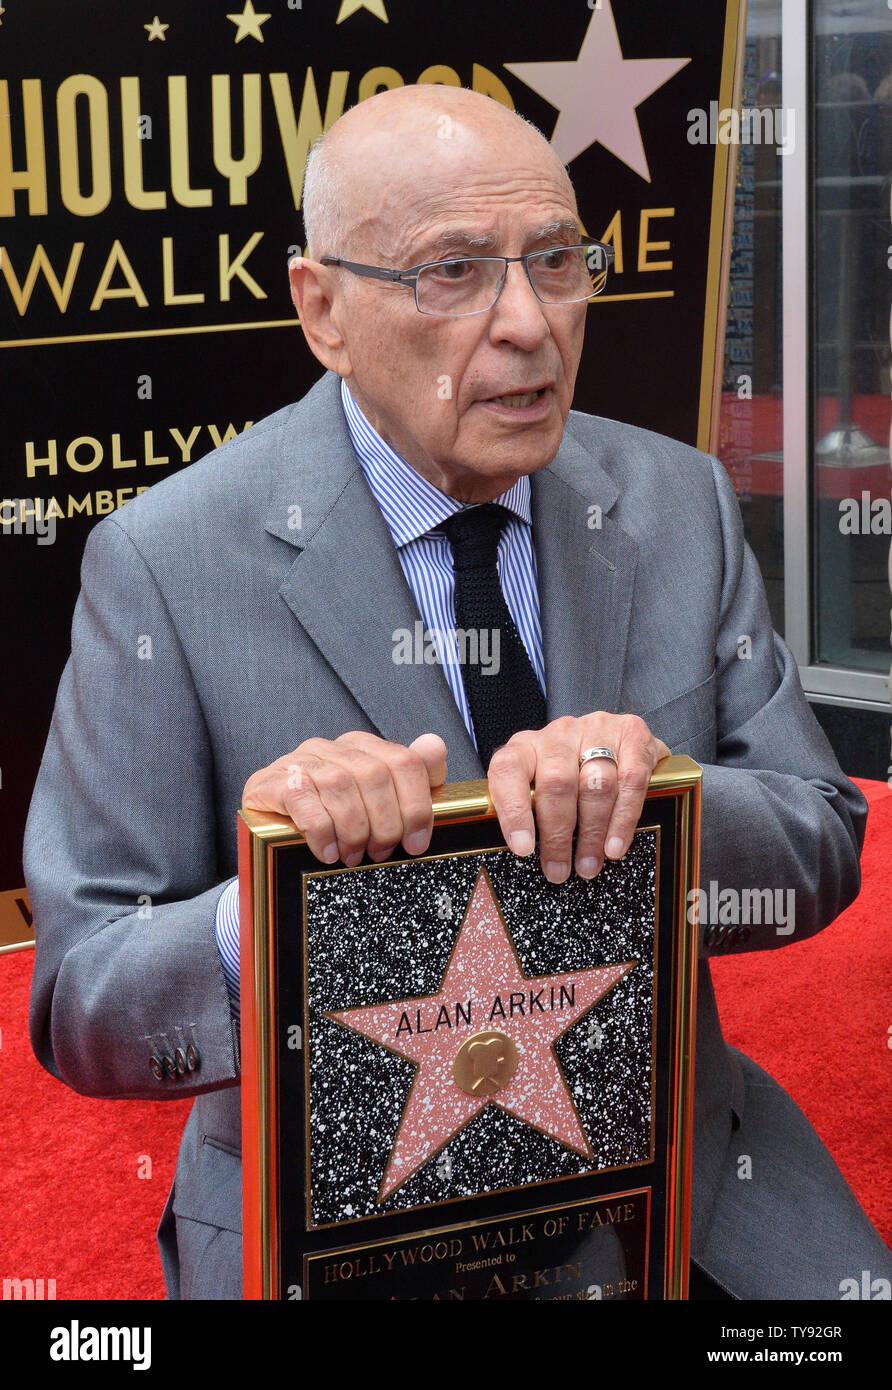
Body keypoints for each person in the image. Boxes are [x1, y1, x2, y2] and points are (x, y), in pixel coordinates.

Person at [25, 83, 890, 1301]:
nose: (528, 324)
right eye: (453, 273)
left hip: (679, 1176)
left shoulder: (673, 501)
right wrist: (274, 896)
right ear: (321, 308)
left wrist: (657, 799)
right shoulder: (167, 562)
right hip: (336, 1220)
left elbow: (820, 832)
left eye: (557, 261)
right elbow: (81, 1002)